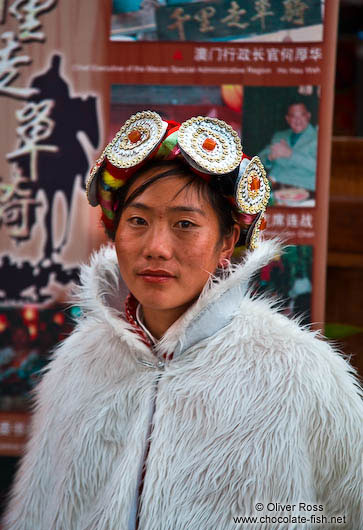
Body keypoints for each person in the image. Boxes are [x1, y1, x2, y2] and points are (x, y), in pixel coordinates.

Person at [3, 111, 362, 530]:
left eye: (185, 224)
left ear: (227, 240)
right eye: (137, 221)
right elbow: (39, 509)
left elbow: (342, 512)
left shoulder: (300, 372)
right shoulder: (78, 361)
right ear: (114, 231)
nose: (156, 247)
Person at [259, 102, 318, 192]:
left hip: (303, 190)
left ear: (308, 116)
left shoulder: (318, 137)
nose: (298, 120)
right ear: (287, 119)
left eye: (302, 115)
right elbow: (260, 157)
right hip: (273, 188)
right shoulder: (279, 136)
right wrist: (269, 158)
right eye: (293, 116)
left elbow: (319, 167)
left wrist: (290, 154)